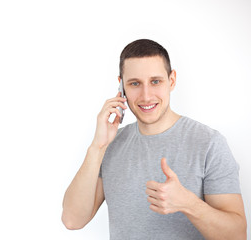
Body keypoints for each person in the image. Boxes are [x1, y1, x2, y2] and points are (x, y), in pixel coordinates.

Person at [61, 39, 247, 239]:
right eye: (134, 84)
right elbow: (73, 220)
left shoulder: (209, 143)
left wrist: (188, 204)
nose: (146, 96)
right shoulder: (109, 145)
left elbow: (237, 235)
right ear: (121, 86)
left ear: (172, 80)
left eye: (155, 81)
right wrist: (97, 147)